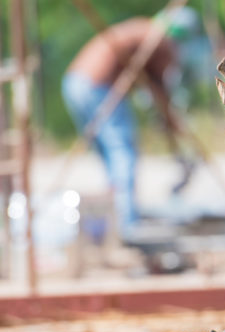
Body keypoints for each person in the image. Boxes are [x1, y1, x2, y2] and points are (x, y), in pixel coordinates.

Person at [62, 13, 186, 241]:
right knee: (122, 150)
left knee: (110, 156)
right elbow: (159, 87)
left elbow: (153, 85)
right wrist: (171, 120)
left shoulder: (143, 31)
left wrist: (167, 117)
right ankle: (126, 223)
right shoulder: (160, 40)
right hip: (97, 86)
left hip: (74, 83)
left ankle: (114, 217)